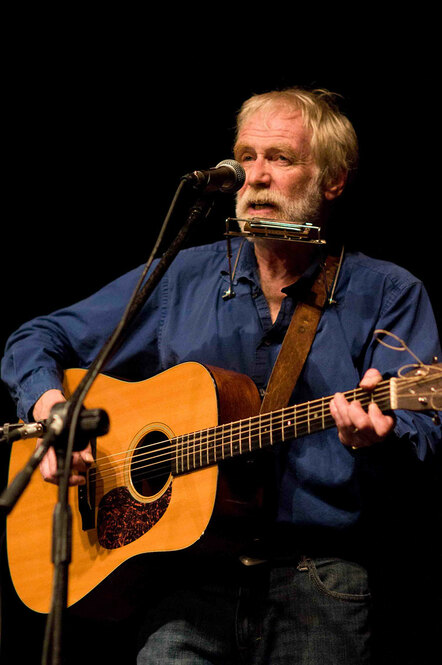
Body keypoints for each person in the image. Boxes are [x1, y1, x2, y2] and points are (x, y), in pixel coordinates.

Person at [1, 87, 441, 664]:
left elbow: (426, 427)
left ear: (332, 179)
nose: (254, 176)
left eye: (280, 158)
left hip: (320, 582)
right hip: (184, 582)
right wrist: (54, 412)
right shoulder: (186, 275)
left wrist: (379, 436)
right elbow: (36, 338)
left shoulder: (387, 291)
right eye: (246, 155)